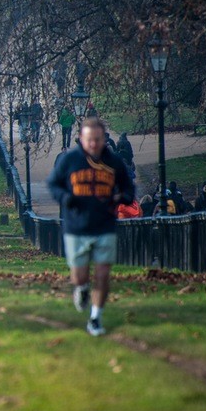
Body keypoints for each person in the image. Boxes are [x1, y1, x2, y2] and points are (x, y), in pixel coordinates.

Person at [47, 117, 135, 337]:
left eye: (98, 139)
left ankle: (95, 317)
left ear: (104, 139)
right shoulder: (70, 160)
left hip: (105, 225)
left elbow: (128, 188)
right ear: (81, 139)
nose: (94, 144)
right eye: (89, 140)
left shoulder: (114, 162)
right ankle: (82, 288)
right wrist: (65, 198)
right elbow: (53, 184)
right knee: (80, 276)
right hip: (76, 226)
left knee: (103, 274)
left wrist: (121, 197)